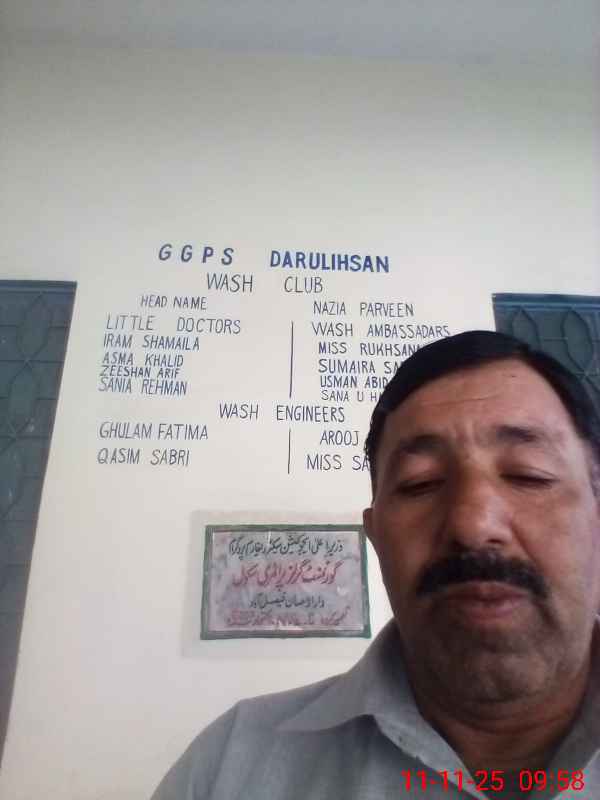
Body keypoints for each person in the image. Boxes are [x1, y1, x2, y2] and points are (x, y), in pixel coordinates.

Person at [151, 330, 600, 799]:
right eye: (420, 484)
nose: (471, 524)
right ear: (376, 535)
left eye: (528, 474)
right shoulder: (229, 766)